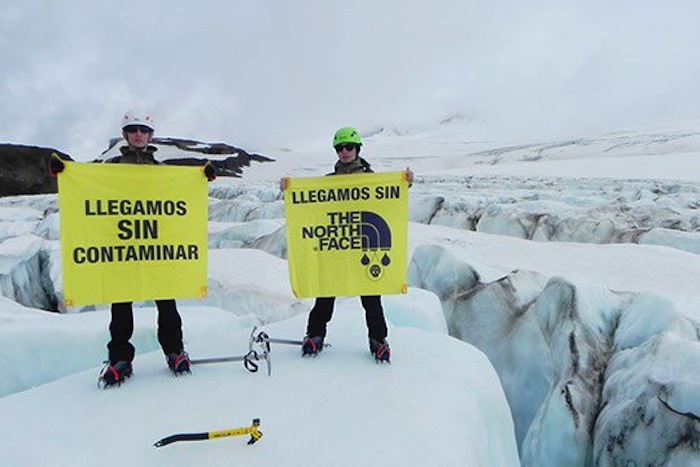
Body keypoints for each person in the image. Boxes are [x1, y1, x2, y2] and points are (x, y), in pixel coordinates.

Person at [49, 108, 216, 386]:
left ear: (150, 135)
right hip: (124, 247)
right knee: (121, 304)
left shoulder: (162, 171)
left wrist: (200, 179)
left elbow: (180, 198)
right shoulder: (111, 167)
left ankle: (174, 351)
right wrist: (66, 173)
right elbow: (91, 189)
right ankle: (119, 358)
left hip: (156, 246)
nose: (139, 135)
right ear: (125, 134)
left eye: (144, 130)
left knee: (167, 302)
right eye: (134, 130)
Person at [282, 127, 414, 362]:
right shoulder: (328, 183)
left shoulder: (372, 180)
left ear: (357, 149)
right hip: (336, 249)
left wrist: (406, 183)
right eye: (339, 148)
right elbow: (311, 208)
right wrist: (289, 190)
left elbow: (389, 199)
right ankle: (315, 335)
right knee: (325, 294)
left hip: (364, 247)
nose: (344, 151)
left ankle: (378, 340)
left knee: (371, 300)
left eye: (348, 147)